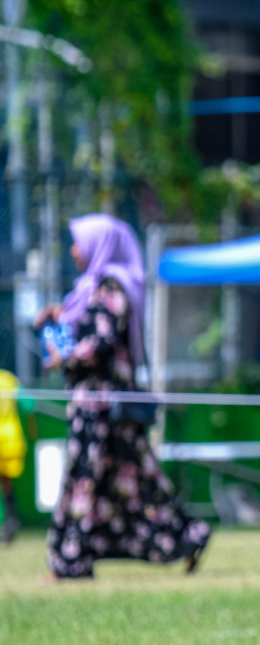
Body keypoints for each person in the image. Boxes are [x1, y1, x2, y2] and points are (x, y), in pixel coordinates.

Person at [35, 215, 210, 579]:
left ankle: (72, 560)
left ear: (100, 245)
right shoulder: (92, 289)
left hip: (104, 408)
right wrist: (61, 318)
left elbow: (100, 342)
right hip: (94, 405)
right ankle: (185, 537)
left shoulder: (112, 288)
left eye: (79, 242)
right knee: (130, 480)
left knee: (97, 479)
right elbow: (86, 327)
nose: (73, 250)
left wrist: (64, 356)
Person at [0, 368, 26, 544]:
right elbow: (28, 404)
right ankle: (10, 522)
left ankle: (8, 524)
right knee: (6, 484)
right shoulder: (9, 379)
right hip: (11, 437)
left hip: (5, 439)